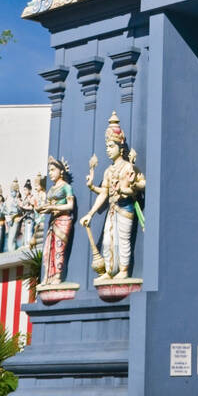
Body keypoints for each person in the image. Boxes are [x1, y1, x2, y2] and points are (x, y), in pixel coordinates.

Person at [81, 115, 146, 281]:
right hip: (112, 211)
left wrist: (131, 188)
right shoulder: (108, 171)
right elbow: (104, 193)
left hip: (125, 209)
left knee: (123, 241)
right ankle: (110, 271)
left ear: (120, 145)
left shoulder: (128, 167)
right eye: (107, 146)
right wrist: (91, 213)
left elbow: (142, 183)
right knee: (109, 242)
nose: (108, 150)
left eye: (111, 146)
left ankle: (123, 270)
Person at [39, 159, 75, 286]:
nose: (50, 173)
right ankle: (47, 277)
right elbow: (48, 206)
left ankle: (57, 276)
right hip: (53, 221)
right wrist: (41, 208)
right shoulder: (51, 190)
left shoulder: (66, 187)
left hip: (63, 221)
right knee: (47, 251)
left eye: (53, 170)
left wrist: (53, 208)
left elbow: (70, 206)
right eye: (49, 170)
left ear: (61, 171)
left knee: (59, 248)